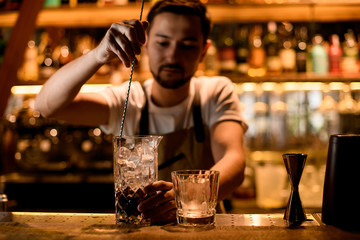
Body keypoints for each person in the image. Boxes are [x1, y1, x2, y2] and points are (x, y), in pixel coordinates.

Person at [35, 0, 247, 224]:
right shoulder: (127, 100)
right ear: (145, 44)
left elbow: (233, 159)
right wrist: (98, 55)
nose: (173, 56)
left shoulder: (214, 92)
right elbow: (47, 106)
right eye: (163, 43)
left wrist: (186, 196)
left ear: (204, 51)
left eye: (187, 45)